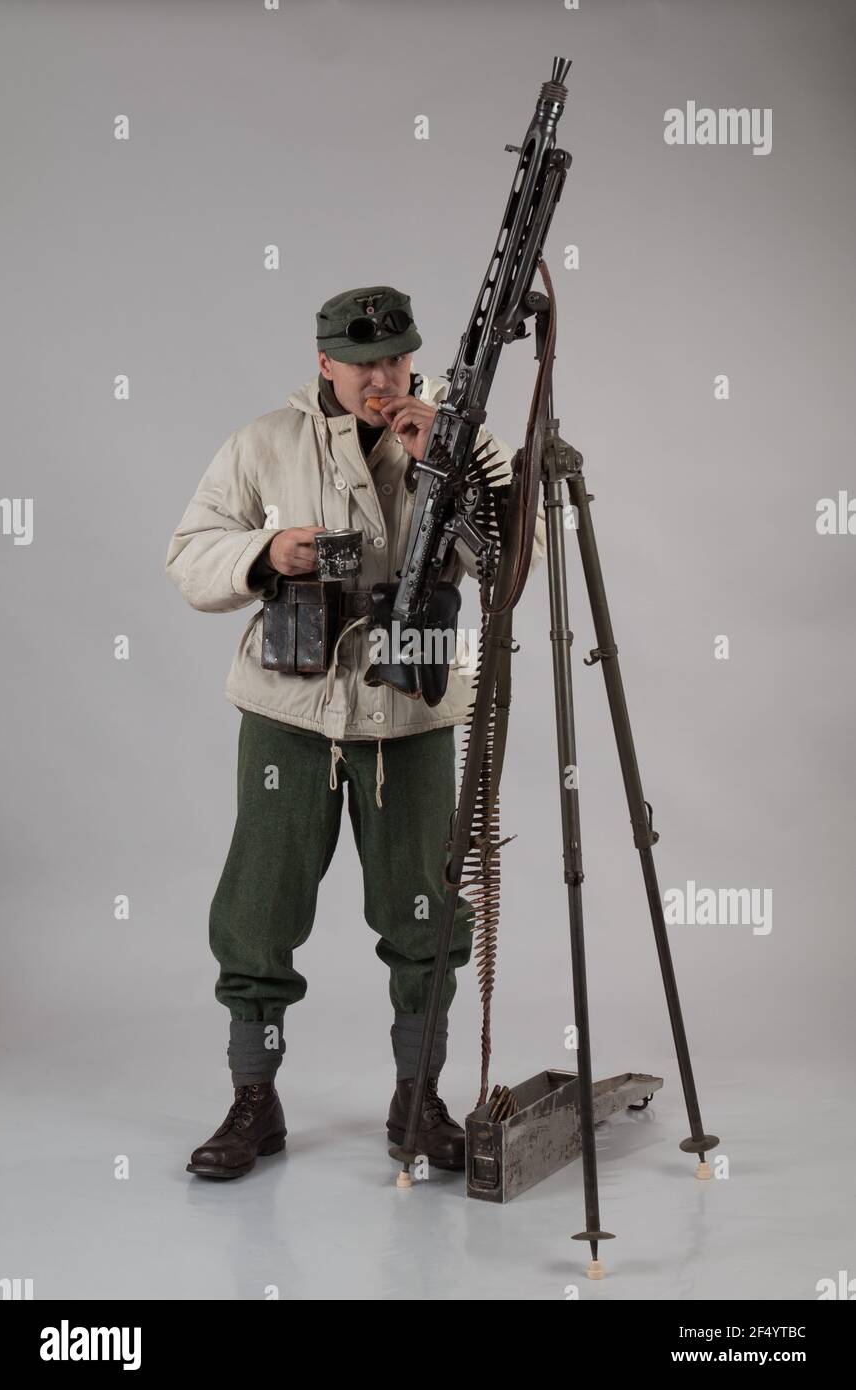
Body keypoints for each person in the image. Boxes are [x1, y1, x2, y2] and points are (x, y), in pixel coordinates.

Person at [166, 284, 543, 1180]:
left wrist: (446, 468)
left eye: (396, 358)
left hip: (408, 714)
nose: (382, 378)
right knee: (258, 910)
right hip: (291, 712)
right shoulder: (265, 441)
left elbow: (509, 565)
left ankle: (420, 1098)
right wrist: (267, 554)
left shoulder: (454, 440)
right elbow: (189, 554)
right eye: (362, 362)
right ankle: (254, 1099)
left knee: (427, 911)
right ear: (324, 363)